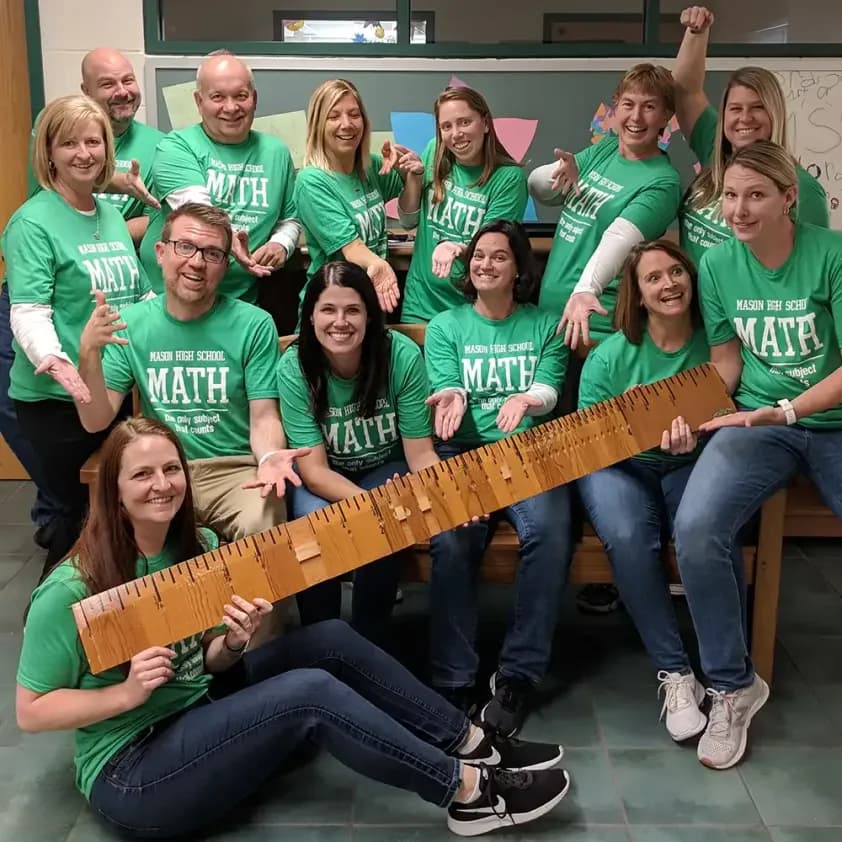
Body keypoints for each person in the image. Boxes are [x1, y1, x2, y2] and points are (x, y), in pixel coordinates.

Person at [16, 415, 571, 839]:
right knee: (308, 693)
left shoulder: (197, 546)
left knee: (330, 638)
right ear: (113, 491)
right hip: (134, 770)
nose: (162, 484)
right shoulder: (73, 588)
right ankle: (468, 793)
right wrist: (126, 693)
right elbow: (31, 711)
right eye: (142, 474)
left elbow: (200, 661)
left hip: (194, 707)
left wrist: (233, 643)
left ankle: (473, 743)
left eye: (171, 469)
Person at [674, 140, 842, 769]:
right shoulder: (717, 264)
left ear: (788, 198)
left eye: (756, 196)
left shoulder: (832, 255)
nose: (739, 210)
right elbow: (727, 362)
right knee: (695, 528)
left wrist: (790, 410)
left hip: (831, 421)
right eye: (731, 196)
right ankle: (733, 686)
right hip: (757, 422)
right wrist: (690, 414)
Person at [75, 202, 304, 549]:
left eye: (212, 253)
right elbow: (96, 420)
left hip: (235, 472)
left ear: (225, 265)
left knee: (264, 524)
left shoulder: (254, 324)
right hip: (163, 471)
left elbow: (264, 417)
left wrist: (270, 458)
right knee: (121, 538)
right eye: (185, 247)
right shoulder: (131, 324)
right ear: (160, 252)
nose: (197, 262)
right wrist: (88, 355)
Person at [424, 220, 571, 737]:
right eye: (479, 256)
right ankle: (453, 678)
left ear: (518, 268)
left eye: (499, 256)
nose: (486, 264)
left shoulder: (545, 325)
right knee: (451, 537)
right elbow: (446, 382)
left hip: (528, 454)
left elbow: (550, 387)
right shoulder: (446, 325)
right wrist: (454, 395)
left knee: (550, 533)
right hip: (461, 453)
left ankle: (517, 676)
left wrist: (529, 399)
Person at [3, 94, 149, 576]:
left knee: (108, 519)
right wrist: (56, 360)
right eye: (69, 144)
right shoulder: (32, 222)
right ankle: (54, 612)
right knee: (77, 521)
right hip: (57, 401)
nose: (84, 153)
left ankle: (109, 607)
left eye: (93, 141)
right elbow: (28, 311)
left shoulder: (108, 214)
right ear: (48, 153)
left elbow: (137, 293)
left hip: (113, 390)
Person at [577, 239, 710, 741]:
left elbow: (737, 415)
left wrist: (700, 437)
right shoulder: (611, 357)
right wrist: (629, 428)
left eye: (675, 272)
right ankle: (675, 673)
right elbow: (587, 442)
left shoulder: (716, 347)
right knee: (629, 536)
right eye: (653, 278)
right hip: (619, 468)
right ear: (637, 293)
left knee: (707, 529)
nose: (668, 284)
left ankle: (726, 670)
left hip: (691, 462)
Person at [279, 261, 438, 644]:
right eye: (328, 310)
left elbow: (420, 455)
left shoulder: (400, 356)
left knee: (382, 524)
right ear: (311, 316)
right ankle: (323, 643)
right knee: (316, 527)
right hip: (321, 477)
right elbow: (314, 473)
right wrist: (373, 506)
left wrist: (448, 494)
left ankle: (369, 642)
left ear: (369, 314)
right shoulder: (294, 367)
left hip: (383, 467)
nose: (340, 322)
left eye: (352, 310)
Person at [530, 63, 682, 351]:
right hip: (550, 322)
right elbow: (537, 188)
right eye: (628, 104)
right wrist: (557, 172)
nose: (636, 117)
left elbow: (620, 237)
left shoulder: (663, 183)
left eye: (649, 107)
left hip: (595, 327)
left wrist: (585, 291)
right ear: (616, 106)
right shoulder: (605, 149)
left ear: (666, 116)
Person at [673, 5, 829, 268]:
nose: (745, 118)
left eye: (757, 108)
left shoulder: (803, 189)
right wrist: (697, 33)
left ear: (775, 114)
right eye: (735, 109)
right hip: (686, 294)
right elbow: (685, 91)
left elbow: (812, 269)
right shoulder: (715, 145)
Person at [138, 52, 300, 303]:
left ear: (254, 99)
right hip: (168, 301)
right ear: (199, 101)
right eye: (218, 97)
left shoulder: (276, 152)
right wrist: (232, 242)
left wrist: (281, 244)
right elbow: (202, 216)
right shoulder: (176, 147)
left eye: (241, 96)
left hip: (239, 303)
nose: (231, 107)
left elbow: (290, 219)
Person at [294, 78, 423, 318]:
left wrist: (410, 173)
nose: (347, 124)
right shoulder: (311, 181)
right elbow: (351, 248)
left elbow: (409, 216)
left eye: (354, 114)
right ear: (318, 125)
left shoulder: (370, 166)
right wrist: (379, 264)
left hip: (372, 303)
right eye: (334, 116)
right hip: (331, 309)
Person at [400, 86, 528, 323]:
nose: (456, 134)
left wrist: (455, 247)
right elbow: (408, 221)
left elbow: (493, 248)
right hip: (420, 305)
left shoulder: (509, 179)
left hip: (471, 309)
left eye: (464, 122)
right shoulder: (434, 152)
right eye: (446, 126)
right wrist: (414, 179)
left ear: (485, 123)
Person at [80, 47, 165, 245]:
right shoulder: (60, 133)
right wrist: (119, 182)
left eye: (128, 81)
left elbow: (157, 219)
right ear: (86, 92)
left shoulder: (160, 144)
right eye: (107, 84)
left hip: (124, 256)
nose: (123, 92)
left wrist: (101, 239)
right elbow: (52, 183)